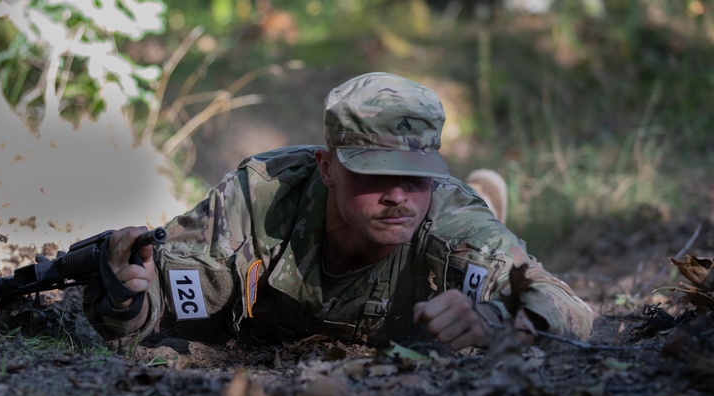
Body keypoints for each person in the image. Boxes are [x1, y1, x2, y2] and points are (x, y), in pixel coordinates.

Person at [83, 72, 593, 350]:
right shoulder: (262, 198)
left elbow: (571, 312)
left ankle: (491, 205)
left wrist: (496, 317)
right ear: (327, 167)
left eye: (417, 175)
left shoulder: (451, 224)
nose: (399, 196)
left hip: (462, 242)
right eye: (374, 175)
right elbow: (161, 289)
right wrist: (126, 298)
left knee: (480, 243)